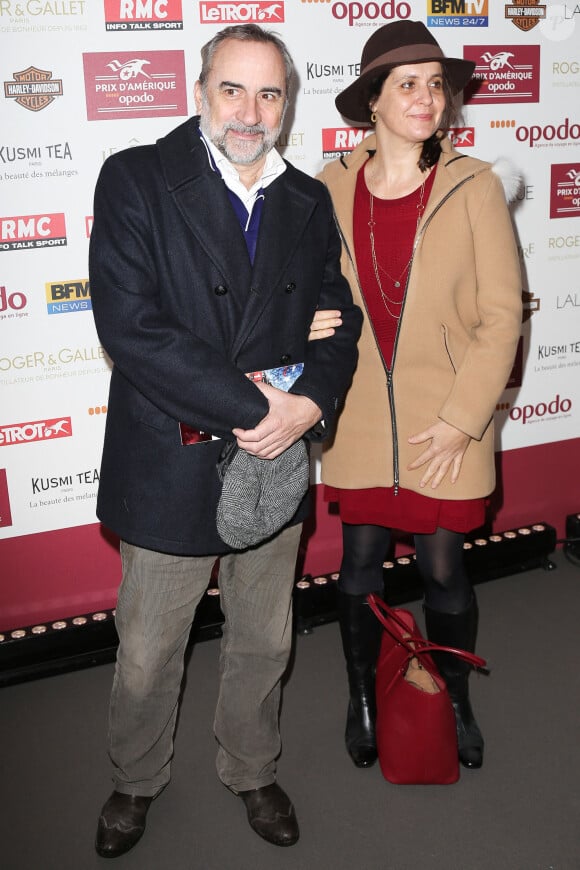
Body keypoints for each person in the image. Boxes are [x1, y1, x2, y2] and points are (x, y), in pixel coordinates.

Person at [89, 24, 362, 859]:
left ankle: (250, 766)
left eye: (269, 93)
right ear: (200, 90)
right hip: (174, 454)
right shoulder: (137, 178)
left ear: (287, 104)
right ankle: (135, 779)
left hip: (277, 458)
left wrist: (310, 402)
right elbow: (134, 330)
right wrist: (259, 404)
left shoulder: (307, 200)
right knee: (146, 651)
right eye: (233, 90)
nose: (250, 111)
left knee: (264, 638)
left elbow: (338, 318)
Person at [312, 20, 522, 772]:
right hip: (362, 418)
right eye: (407, 83)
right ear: (372, 100)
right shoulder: (329, 187)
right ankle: (362, 699)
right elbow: (308, 289)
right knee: (360, 564)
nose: (428, 98)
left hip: (447, 426)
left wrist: (463, 422)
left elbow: (502, 319)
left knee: (443, 572)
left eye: (436, 83)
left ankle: (454, 697)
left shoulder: (474, 184)